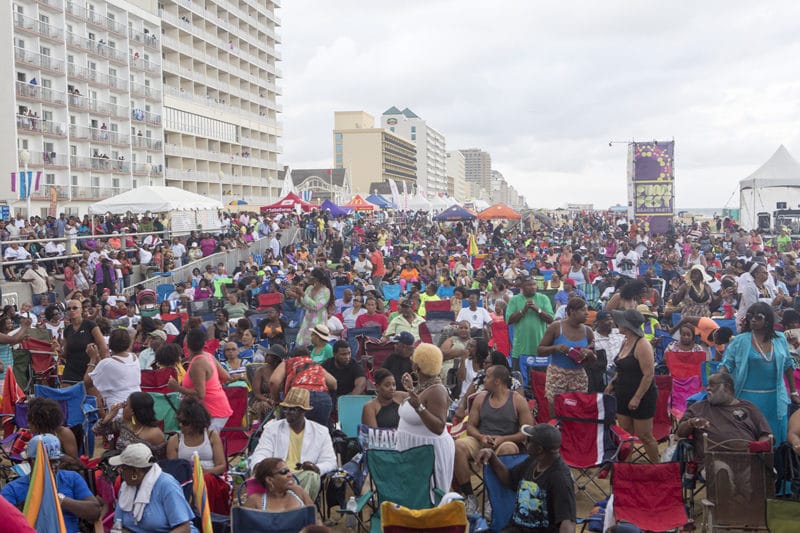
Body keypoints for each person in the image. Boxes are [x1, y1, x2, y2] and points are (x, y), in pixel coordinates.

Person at [455, 365, 534, 514]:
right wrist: (481, 437)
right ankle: (469, 496)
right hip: (481, 441)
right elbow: (470, 427)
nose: (484, 379)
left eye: (487, 376)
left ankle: (495, 498)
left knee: (508, 449)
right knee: (458, 445)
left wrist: (503, 438)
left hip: (506, 442)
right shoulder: (481, 398)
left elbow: (526, 432)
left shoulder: (518, 400)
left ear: (497, 381)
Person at [721, 302, 799, 443]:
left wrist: (793, 392)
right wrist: (720, 386)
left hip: (775, 399)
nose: (753, 320)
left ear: (768, 320)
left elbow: (788, 366)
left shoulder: (780, 339)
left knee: (773, 440)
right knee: (749, 439)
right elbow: (726, 365)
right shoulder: (739, 341)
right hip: (747, 399)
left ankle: (774, 465)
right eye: (750, 317)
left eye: (758, 317)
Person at [477, 424, 576, 533]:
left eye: (528, 440)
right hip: (514, 529)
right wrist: (492, 456)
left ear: (539, 449)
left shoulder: (560, 478)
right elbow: (510, 478)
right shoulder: (533, 461)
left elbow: (568, 521)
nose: (525, 442)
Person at [249, 388, 338, 500]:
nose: (287, 413)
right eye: (285, 409)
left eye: (293, 410)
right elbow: (261, 452)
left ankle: (297, 510)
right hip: (277, 476)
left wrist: (316, 468)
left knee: (312, 476)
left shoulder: (321, 431)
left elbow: (330, 461)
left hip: (302, 476)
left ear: (303, 411)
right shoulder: (272, 428)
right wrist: (259, 465)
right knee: (264, 475)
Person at [1, 434, 102, 533]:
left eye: (56, 461)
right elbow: (5, 519)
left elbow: (95, 511)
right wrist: (35, 502)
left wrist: (61, 501)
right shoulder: (13, 488)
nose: (53, 467)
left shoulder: (71, 478)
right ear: (31, 461)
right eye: (47, 462)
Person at [397, 343, 455, 494]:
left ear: (417, 365)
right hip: (414, 449)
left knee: (429, 496)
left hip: (428, 452)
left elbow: (439, 427)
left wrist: (419, 408)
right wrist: (410, 389)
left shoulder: (437, 391)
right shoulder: (423, 386)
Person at [676, 372, 771, 462]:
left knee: (762, 473)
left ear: (727, 387)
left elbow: (766, 435)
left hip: (748, 460)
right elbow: (680, 433)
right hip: (713, 462)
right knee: (723, 471)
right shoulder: (698, 408)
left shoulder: (748, 407)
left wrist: (753, 448)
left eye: (712, 385)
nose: (708, 388)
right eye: (707, 385)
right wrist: (691, 422)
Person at [606, 309, 659, 463]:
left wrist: (636, 398)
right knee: (625, 434)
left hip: (642, 396)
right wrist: (612, 383)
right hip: (623, 393)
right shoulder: (625, 341)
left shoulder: (642, 344)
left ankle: (658, 468)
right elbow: (621, 368)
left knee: (645, 436)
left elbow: (648, 374)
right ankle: (626, 468)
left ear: (627, 325)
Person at [110, 443, 198, 533]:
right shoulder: (125, 488)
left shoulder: (167, 485)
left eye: (122, 468)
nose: (120, 473)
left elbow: (184, 528)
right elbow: (119, 526)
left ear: (135, 472)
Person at [166, 397, 231, 514]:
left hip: (211, 476)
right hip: (185, 478)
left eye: (185, 422)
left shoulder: (211, 435)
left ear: (196, 421)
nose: (181, 425)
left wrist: (204, 472)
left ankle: (206, 517)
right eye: (179, 421)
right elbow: (173, 470)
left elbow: (221, 466)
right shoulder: (175, 440)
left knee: (205, 481)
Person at [538, 297, 597, 412]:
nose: (587, 313)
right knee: (555, 408)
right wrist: (555, 347)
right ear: (572, 312)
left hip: (578, 375)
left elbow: (593, 361)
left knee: (577, 410)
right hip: (557, 373)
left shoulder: (588, 331)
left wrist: (589, 353)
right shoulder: (556, 327)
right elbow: (540, 350)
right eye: (583, 310)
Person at [168, 328, 233, 432]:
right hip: (216, 407)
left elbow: (200, 394)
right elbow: (226, 377)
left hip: (212, 412)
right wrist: (212, 385)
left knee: (206, 444)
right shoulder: (208, 356)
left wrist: (177, 387)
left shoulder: (197, 364)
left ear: (186, 344)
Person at [269, 347, 337, 427]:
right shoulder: (314, 364)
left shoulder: (288, 362)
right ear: (309, 356)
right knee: (318, 433)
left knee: (290, 432)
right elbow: (333, 383)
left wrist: (276, 400)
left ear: (292, 356)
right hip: (322, 398)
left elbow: (274, 381)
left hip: (298, 397)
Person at [92, 391, 167, 460]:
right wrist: (109, 416)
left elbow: (161, 460)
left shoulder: (155, 434)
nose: (123, 407)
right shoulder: (125, 422)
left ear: (132, 411)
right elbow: (96, 430)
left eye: (126, 405)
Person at [506, 276, 554, 379]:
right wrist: (523, 311)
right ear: (522, 287)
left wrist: (537, 310)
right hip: (520, 349)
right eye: (529, 285)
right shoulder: (514, 300)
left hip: (539, 349)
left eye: (534, 284)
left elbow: (551, 319)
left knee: (541, 381)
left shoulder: (543, 298)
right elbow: (509, 320)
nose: (533, 287)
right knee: (519, 381)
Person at [85, 328, 140, 413]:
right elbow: (111, 368)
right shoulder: (134, 357)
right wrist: (99, 359)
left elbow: (86, 383)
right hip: (137, 406)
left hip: (119, 412)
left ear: (110, 344)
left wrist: (92, 358)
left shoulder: (107, 363)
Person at [244, 457, 317, 518]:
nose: (290, 474)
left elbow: (316, 519)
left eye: (289, 471)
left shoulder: (298, 492)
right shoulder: (255, 500)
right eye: (284, 472)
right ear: (269, 480)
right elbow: (243, 528)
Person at [60, 298, 108, 385]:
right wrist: (58, 349)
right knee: (66, 397)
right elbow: (65, 354)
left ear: (81, 309)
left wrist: (102, 367)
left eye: (75, 308)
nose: (71, 310)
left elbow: (103, 347)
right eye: (69, 308)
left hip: (89, 368)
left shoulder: (90, 325)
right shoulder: (67, 330)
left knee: (93, 398)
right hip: (71, 370)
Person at [26, 397, 80, 466]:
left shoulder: (63, 433)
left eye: (30, 421)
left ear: (40, 422)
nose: (28, 425)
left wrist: (53, 453)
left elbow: (74, 461)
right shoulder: (38, 435)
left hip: (62, 471)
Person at [291, 268, 334, 348]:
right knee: (301, 345)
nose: (307, 279)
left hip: (318, 322)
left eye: (309, 277)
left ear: (315, 279)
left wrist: (303, 294)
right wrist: (297, 296)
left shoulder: (326, 291)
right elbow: (301, 305)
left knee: (315, 345)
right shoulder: (309, 288)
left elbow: (316, 306)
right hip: (307, 321)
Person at [0, 311, 30, 383]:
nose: (10, 325)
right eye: (8, 323)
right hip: (1, 377)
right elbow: (13, 339)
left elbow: (9, 343)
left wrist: (21, 339)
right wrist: (24, 327)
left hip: (7, 375)